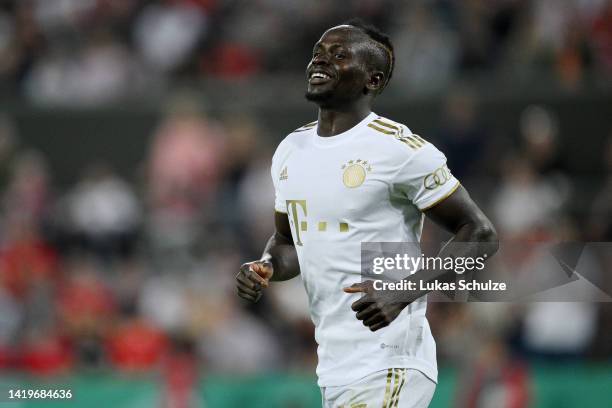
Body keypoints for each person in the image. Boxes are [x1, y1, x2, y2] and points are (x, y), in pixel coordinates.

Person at [236, 19, 498, 408]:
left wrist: (402, 291)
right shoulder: (290, 150)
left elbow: (479, 233)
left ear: (372, 81)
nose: (319, 62)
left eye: (339, 55)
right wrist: (267, 266)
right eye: (317, 54)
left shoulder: (400, 150)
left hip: (390, 359)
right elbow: (289, 243)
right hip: (334, 364)